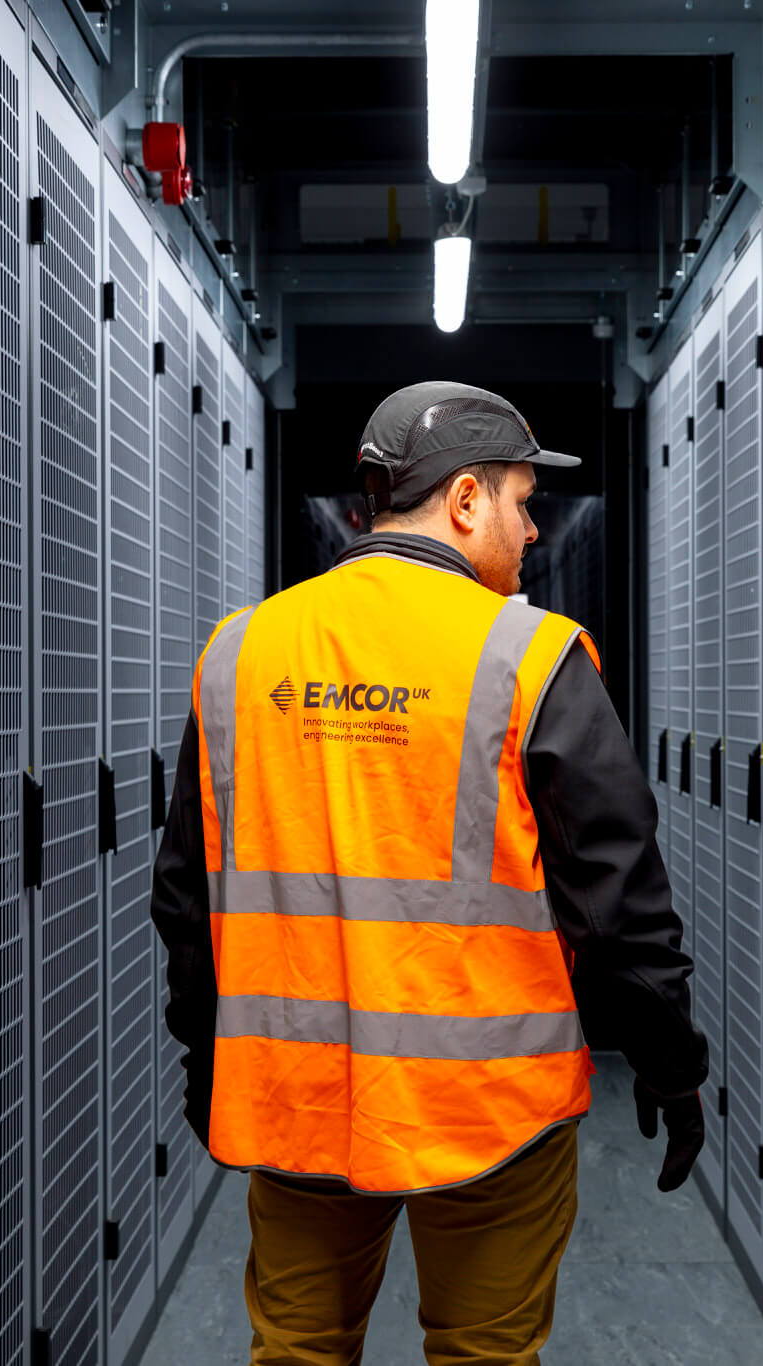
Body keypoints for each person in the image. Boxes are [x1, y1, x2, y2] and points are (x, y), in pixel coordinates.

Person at [150, 380, 707, 1366]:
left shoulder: (240, 651)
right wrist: (667, 1059)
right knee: (483, 1354)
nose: (532, 530)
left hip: (294, 1096)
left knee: (296, 1350)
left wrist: (205, 1056)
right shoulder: (530, 656)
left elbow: (186, 893)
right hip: (488, 1109)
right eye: (520, 501)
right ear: (462, 501)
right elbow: (616, 897)